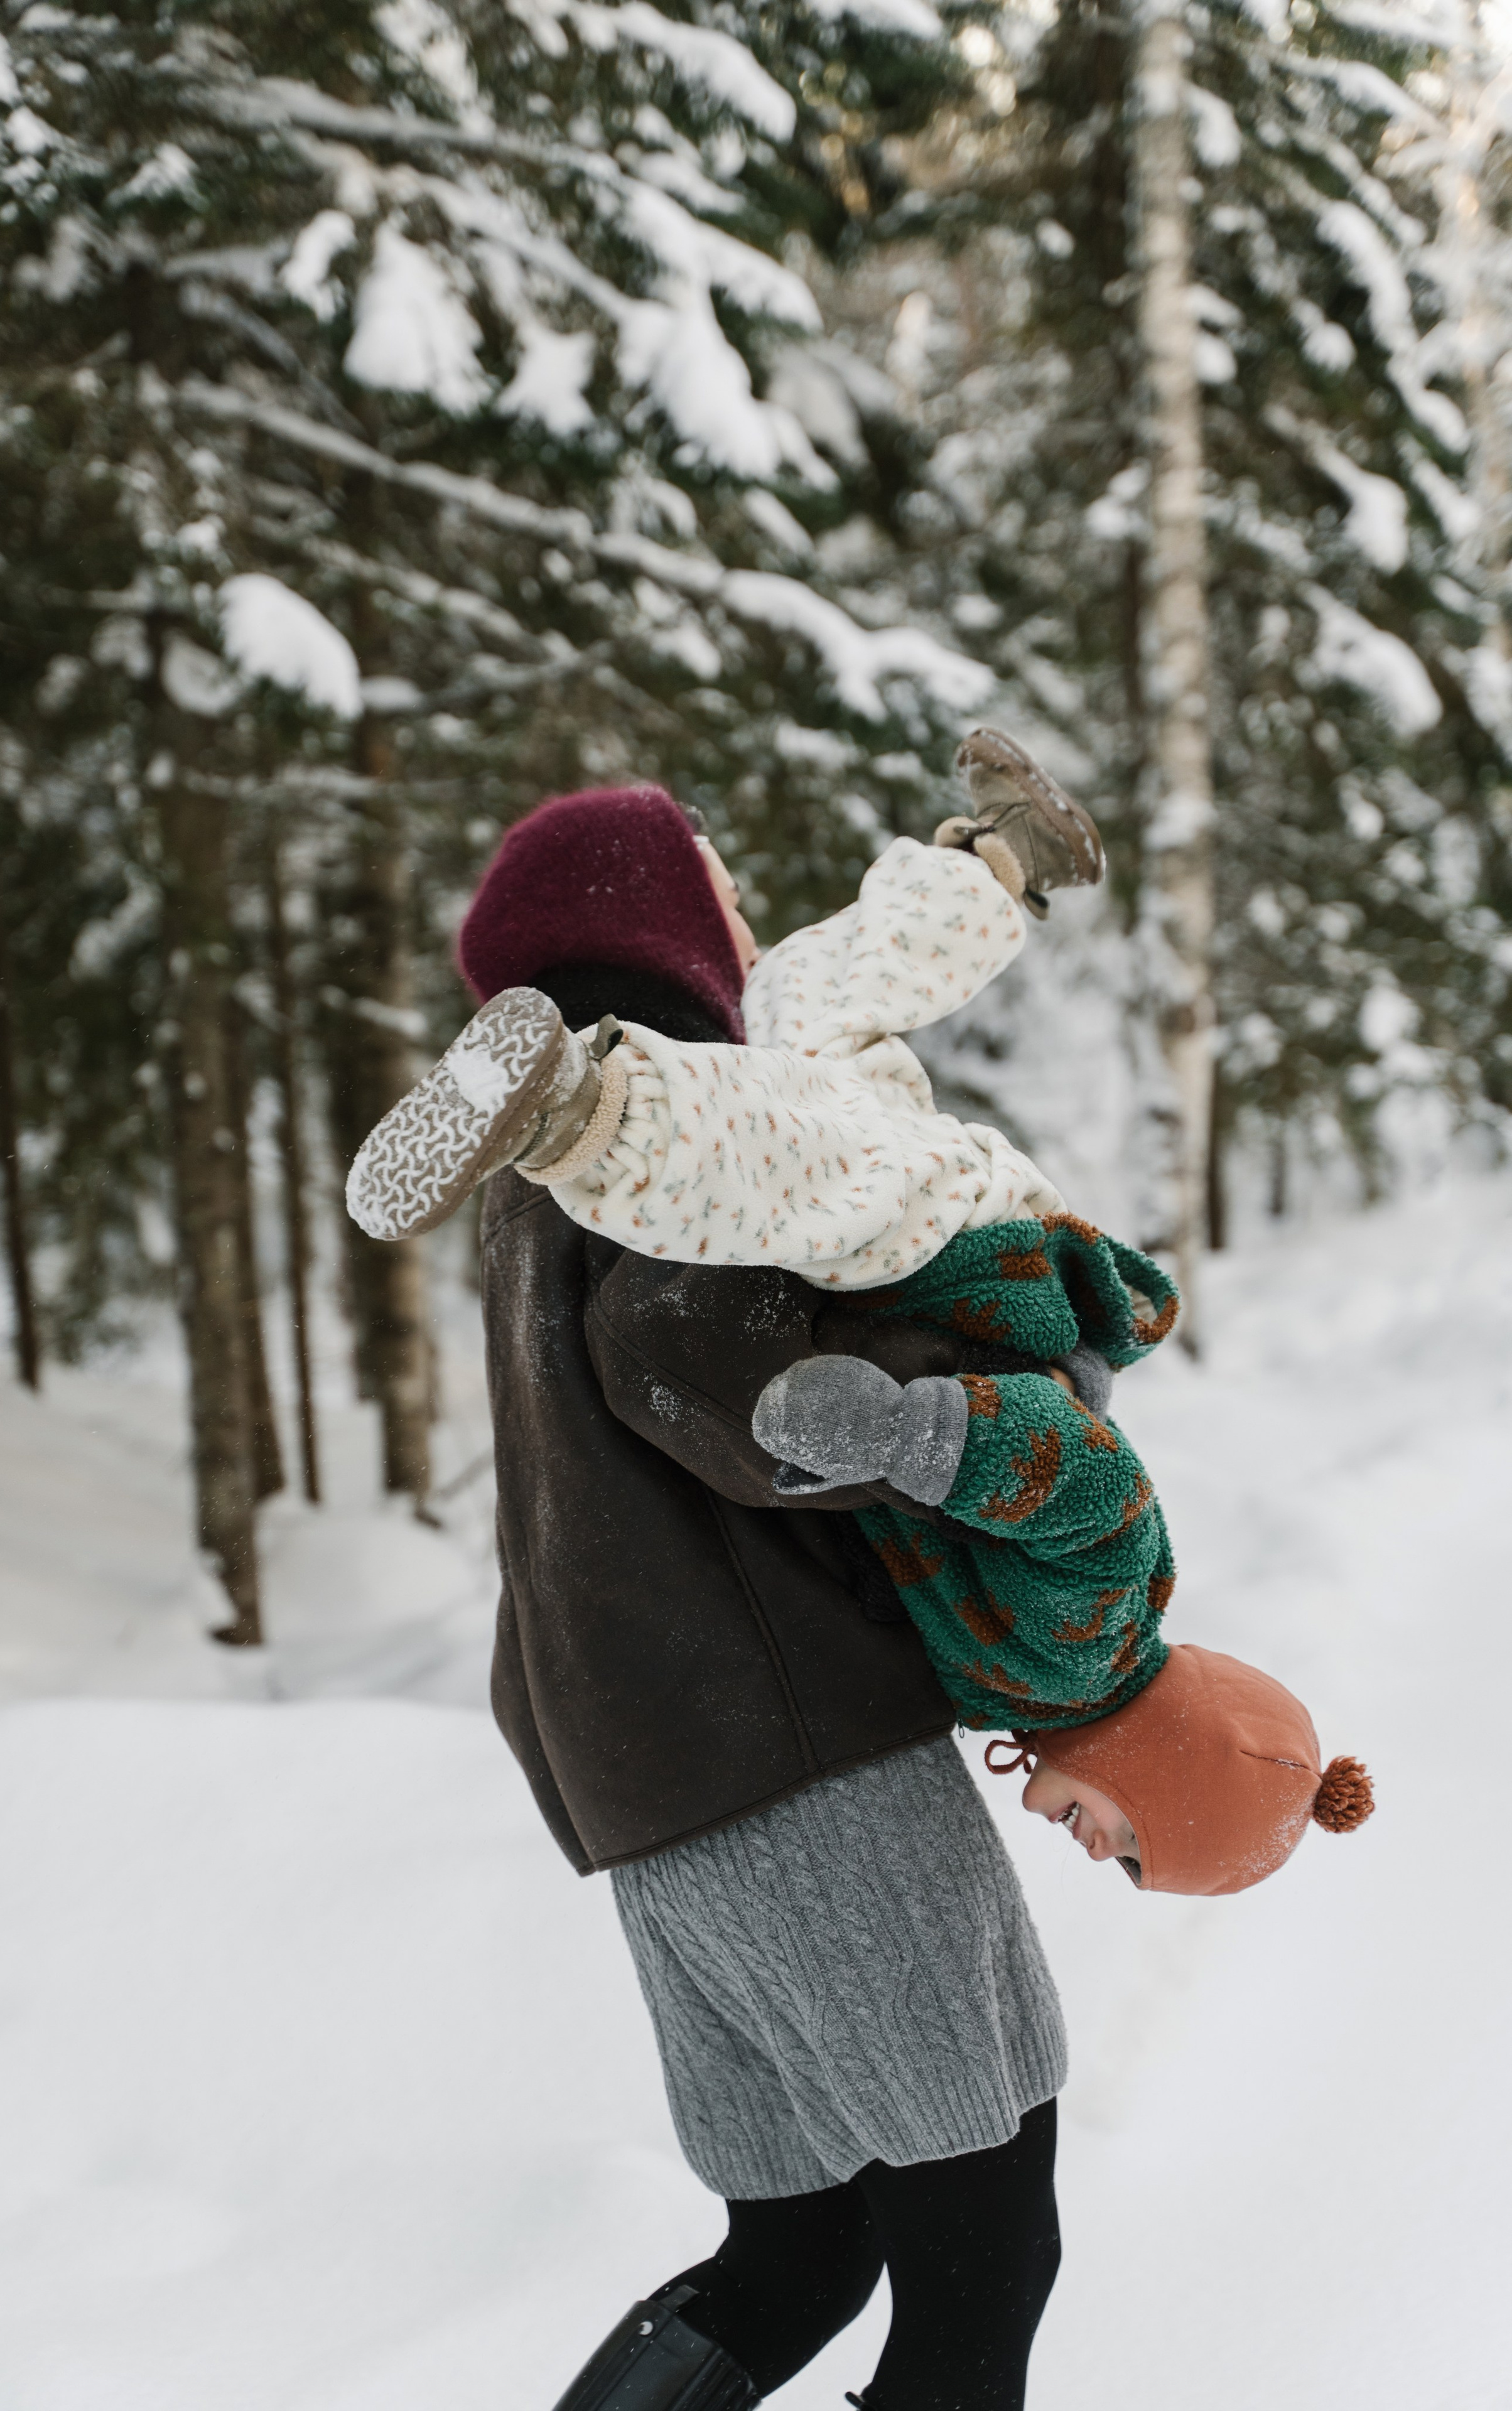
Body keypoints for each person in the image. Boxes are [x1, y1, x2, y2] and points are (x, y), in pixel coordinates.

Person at [351, 747, 1374, 1907]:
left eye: (1129, 1871)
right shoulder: (1089, 1644)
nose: (1104, 1855)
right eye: (1139, 1842)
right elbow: (1082, 1479)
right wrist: (911, 1438)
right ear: (1167, 1760)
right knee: (802, 1172)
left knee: (806, 1006)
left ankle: (997, 868)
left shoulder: (1031, 1694)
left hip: (962, 1250)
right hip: (966, 1260)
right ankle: (585, 1111)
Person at [438, 779, 1076, 2411]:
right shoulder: (681, 1147)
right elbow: (729, 1395)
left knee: (799, 2248)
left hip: (652, 1779)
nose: (736, 913)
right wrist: (1000, 1399)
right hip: (794, 1764)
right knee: (984, 2248)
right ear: (652, 924)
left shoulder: (535, 1173)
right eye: (712, 884)